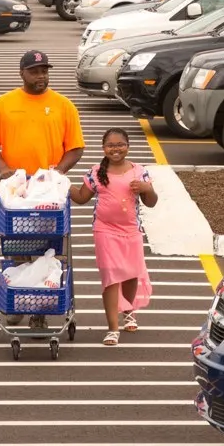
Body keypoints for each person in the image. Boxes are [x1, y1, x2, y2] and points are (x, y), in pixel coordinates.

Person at [0, 50, 86, 328]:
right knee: (15, 246)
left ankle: (39, 310)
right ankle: (16, 300)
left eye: (44, 71)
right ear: (22, 73)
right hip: (17, 194)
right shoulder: (3, 104)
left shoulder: (64, 106)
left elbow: (75, 147)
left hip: (47, 195)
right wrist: (3, 169)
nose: (41, 76)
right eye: (35, 71)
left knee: (45, 250)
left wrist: (58, 171)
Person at [69, 128, 156, 345]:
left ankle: (129, 311)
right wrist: (60, 182)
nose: (115, 149)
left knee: (130, 274)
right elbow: (81, 197)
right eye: (110, 145)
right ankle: (113, 328)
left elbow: (151, 202)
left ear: (128, 146)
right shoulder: (96, 171)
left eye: (120, 145)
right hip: (104, 231)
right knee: (110, 278)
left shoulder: (139, 171)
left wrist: (147, 188)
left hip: (131, 231)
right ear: (103, 148)